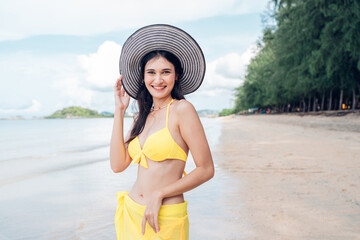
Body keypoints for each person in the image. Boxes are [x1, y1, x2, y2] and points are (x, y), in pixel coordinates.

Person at [110, 24, 214, 240]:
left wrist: (160, 194)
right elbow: (118, 165)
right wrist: (119, 111)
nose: (158, 80)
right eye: (151, 72)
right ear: (142, 77)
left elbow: (206, 169)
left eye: (166, 72)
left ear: (176, 76)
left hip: (164, 217)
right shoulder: (142, 116)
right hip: (132, 213)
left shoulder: (182, 110)